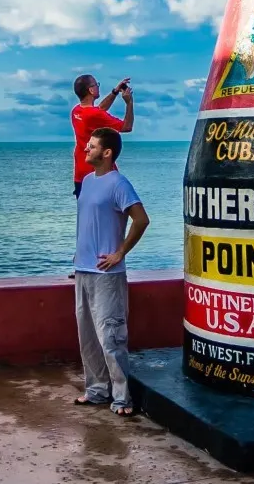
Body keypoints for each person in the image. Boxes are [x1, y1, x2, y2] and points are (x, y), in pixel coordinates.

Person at [72, 127, 149, 416]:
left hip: (108, 275)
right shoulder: (88, 181)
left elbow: (141, 220)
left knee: (112, 337)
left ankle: (122, 399)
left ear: (107, 153)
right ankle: (96, 391)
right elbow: (89, 221)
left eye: (91, 147)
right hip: (83, 270)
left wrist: (120, 252)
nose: (85, 150)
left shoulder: (119, 183)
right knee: (88, 336)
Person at [71, 75, 134, 199]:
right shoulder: (94, 115)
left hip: (80, 174)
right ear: (91, 90)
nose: (98, 87)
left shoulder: (76, 111)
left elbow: (99, 109)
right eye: (96, 85)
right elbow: (127, 127)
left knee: (86, 214)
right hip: (100, 173)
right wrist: (129, 103)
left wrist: (115, 92)